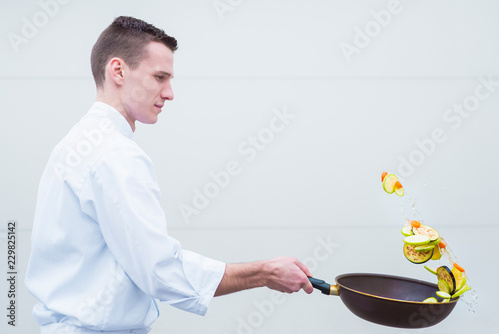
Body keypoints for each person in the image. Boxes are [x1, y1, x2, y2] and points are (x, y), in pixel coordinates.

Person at [25, 16, 313, 334]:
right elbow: (160, 270)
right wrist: (265, 273)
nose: (170, 93)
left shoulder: (74, 144)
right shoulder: (114, 154)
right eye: (159, 77)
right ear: (118, 71)